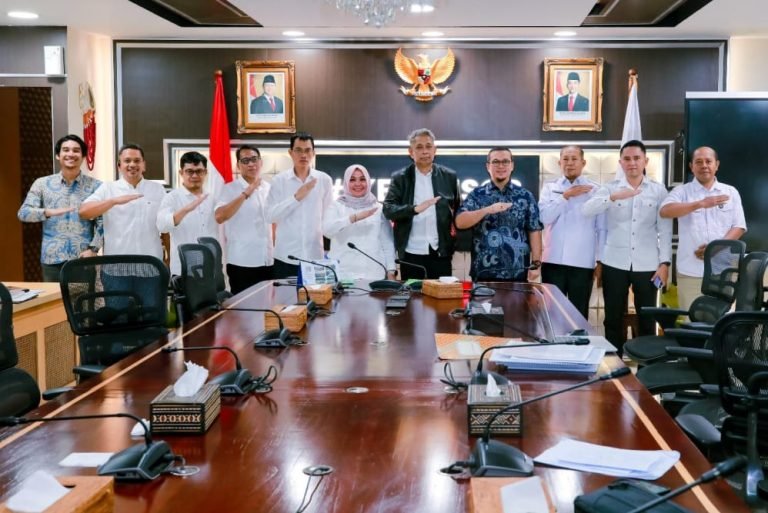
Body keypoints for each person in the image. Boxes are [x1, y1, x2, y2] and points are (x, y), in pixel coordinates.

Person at [582, 140, 672, 354]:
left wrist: (665, 263)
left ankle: (645, 368)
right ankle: (616, 365)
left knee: (647, 318)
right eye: (627, 159)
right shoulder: (609, 188)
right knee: (612, 318)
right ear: (620, 162)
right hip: (614, 263)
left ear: (645, 161)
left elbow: (665, 230)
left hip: (648, 264)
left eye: (637, 158)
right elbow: (587, 210)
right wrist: (612, 197)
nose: (632, 163)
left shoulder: (658, 191)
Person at [659, 146, 746, 309]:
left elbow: (739, 226)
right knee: (691, 320)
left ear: (716, 165)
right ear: (691, 167)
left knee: (722, 321)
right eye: (698, 162)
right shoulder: (682, 191)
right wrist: (700, 204)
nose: (704, 165)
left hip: (723, 271)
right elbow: (665, 211)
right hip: (690, 272)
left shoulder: (730, 192)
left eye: (708, 161)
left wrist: (715, 248)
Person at [17, 134, 103, 282]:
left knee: (82, 297)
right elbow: (23, 213)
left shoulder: (96, 186)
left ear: (83, 156)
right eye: (66, 150)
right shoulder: (42, 184)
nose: (71, 154)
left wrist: (94, 249)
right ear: (58, 155)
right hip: (52, 259)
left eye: (76, 150)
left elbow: (104, 222)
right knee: (54, 297)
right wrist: (47, 212)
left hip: (83, 259)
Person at [538, 145, 606, 318]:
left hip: (582, 263)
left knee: (579, 314)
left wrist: (600, 261)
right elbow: (544, 218)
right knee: (552, 313)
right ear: (559, 163)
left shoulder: (596, 190)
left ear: (583, 163)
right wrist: (565, 196)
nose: (569, 163)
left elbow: (601, 228)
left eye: (574, 159)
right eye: (565, 159)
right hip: (552, 261)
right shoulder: (550, 188)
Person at [383, 128, 460, 280]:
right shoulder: (400, 178)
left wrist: (453, 243)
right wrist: (414, 209)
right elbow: (388, 209)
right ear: (411, 152)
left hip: (440, 253)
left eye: (428, 146)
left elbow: (458, 210)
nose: (425, 151)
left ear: (435, 150)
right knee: (412, 294)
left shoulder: (449, 176)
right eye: (419, 147)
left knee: (442, 294)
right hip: (411, 253)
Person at [456, 147, 542, 282]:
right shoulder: (477, 195)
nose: (501, 166)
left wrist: (536, 264)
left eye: (505, 161)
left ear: (512, 166)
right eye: (496, 162)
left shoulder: (525, 196)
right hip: (483, 271)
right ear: (488, 166)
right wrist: (487, 210)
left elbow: (534, 230)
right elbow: (460, 222)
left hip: (517, 272)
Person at [80, 143, 166, 260]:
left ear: (143, 165)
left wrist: (169, 257)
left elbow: (165, 226)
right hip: (116, 262)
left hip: (151, 261)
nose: (132, 164)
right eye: (127, 161)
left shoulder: (157, 189)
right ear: (119, 166)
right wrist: (113, 201)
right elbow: (84, 212)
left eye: (137, 161)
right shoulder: (108, 188)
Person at [266, 132, 333, 279]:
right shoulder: (279, 180)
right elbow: (270, 216)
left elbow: (328, 218)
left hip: (314, 256)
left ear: (313, 153)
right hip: (285, 257)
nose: (303, 155)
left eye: (308, 150)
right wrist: (296, 198)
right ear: (290, 153)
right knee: (283, 295)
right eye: (298, 150)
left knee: (316, 294)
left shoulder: (324, 180)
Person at [215, 145, 274, 295]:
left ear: (261, 162)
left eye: (254, 159)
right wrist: (246, 193)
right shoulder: (229, 189)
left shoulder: (269, 188)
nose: (251, 164)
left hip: (268, 260)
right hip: (242, 262)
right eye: (245, 161)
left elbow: (274, 222)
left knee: (268, 306)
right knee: (243, 307)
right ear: (238, 165)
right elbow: (220, 217)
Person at [323, 164, 396, 281]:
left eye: (362, 179)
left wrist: (391, 271)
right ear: (346, 183)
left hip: (374, 274)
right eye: (352, 180)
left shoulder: (379, 208)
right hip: (343, 274)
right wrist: (353, 218)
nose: (358, 184)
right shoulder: (336, 206)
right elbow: (327, 231)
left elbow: (387, 243)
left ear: (368, 182)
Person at [156, 151, 218, 276]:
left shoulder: (213, 198)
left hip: (210, 267)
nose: (195, 175)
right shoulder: (172, 197)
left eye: (199, 171)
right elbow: (162, 226)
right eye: (189, 171)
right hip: (183, 268)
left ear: (205, 172)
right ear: (181, 173)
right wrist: (185, 210)